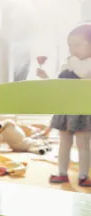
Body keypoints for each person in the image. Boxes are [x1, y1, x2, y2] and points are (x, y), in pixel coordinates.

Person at [36, 23, 91, 187]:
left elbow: (82, 75)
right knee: (64, 143)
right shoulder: (68, 64)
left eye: (77, 45)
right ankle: (62, 173)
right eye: (70, 45)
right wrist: (46, 77)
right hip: (65, 109)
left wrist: (72, 63)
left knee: (83, 144)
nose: (72, 50)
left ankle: (83, 175)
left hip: (83, 109)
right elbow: (59, 86)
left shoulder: (82, 64)